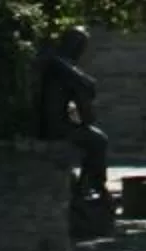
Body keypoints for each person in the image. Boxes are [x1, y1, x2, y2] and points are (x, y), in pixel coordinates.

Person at [34, 25, 108, 198]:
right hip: (54, 126)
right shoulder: (60, 65)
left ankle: (87, 183)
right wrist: (87, 117)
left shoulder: (56, 62)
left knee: (94, 137)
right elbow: (82, 85)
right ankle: (91, 185)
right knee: (98, 140)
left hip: (52, 123)